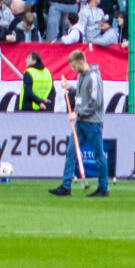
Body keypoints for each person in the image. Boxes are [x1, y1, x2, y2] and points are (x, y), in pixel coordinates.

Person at [52, 48, 108, 197]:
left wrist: (77, 114)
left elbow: (95, 102)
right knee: (71, 152)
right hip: (81, 122)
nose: (72, 69)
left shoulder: (94, 77)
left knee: (99, 155)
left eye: (73, 66)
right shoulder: (81, 75)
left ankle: (103, 188)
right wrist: (70, 88)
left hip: (92, 123)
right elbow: (82, 94)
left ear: (80, 62)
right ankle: (66, 186)